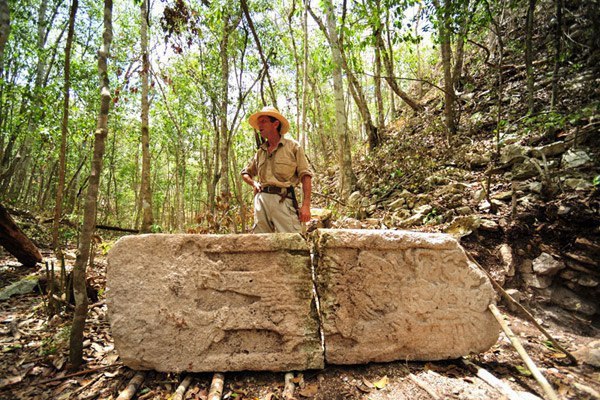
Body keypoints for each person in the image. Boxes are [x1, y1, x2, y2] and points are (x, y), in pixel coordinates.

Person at [241, 106, 312, 233]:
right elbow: (245, 173)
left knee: (292, 243)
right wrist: (254, 183)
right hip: (261, 201)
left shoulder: (293, 147)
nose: (259, 126)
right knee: (261, 244)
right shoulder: (260, 152)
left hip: (283, 200)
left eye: (263, 121)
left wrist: (306, 205)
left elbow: (305, 176)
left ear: (275, 124)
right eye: (258, 123)